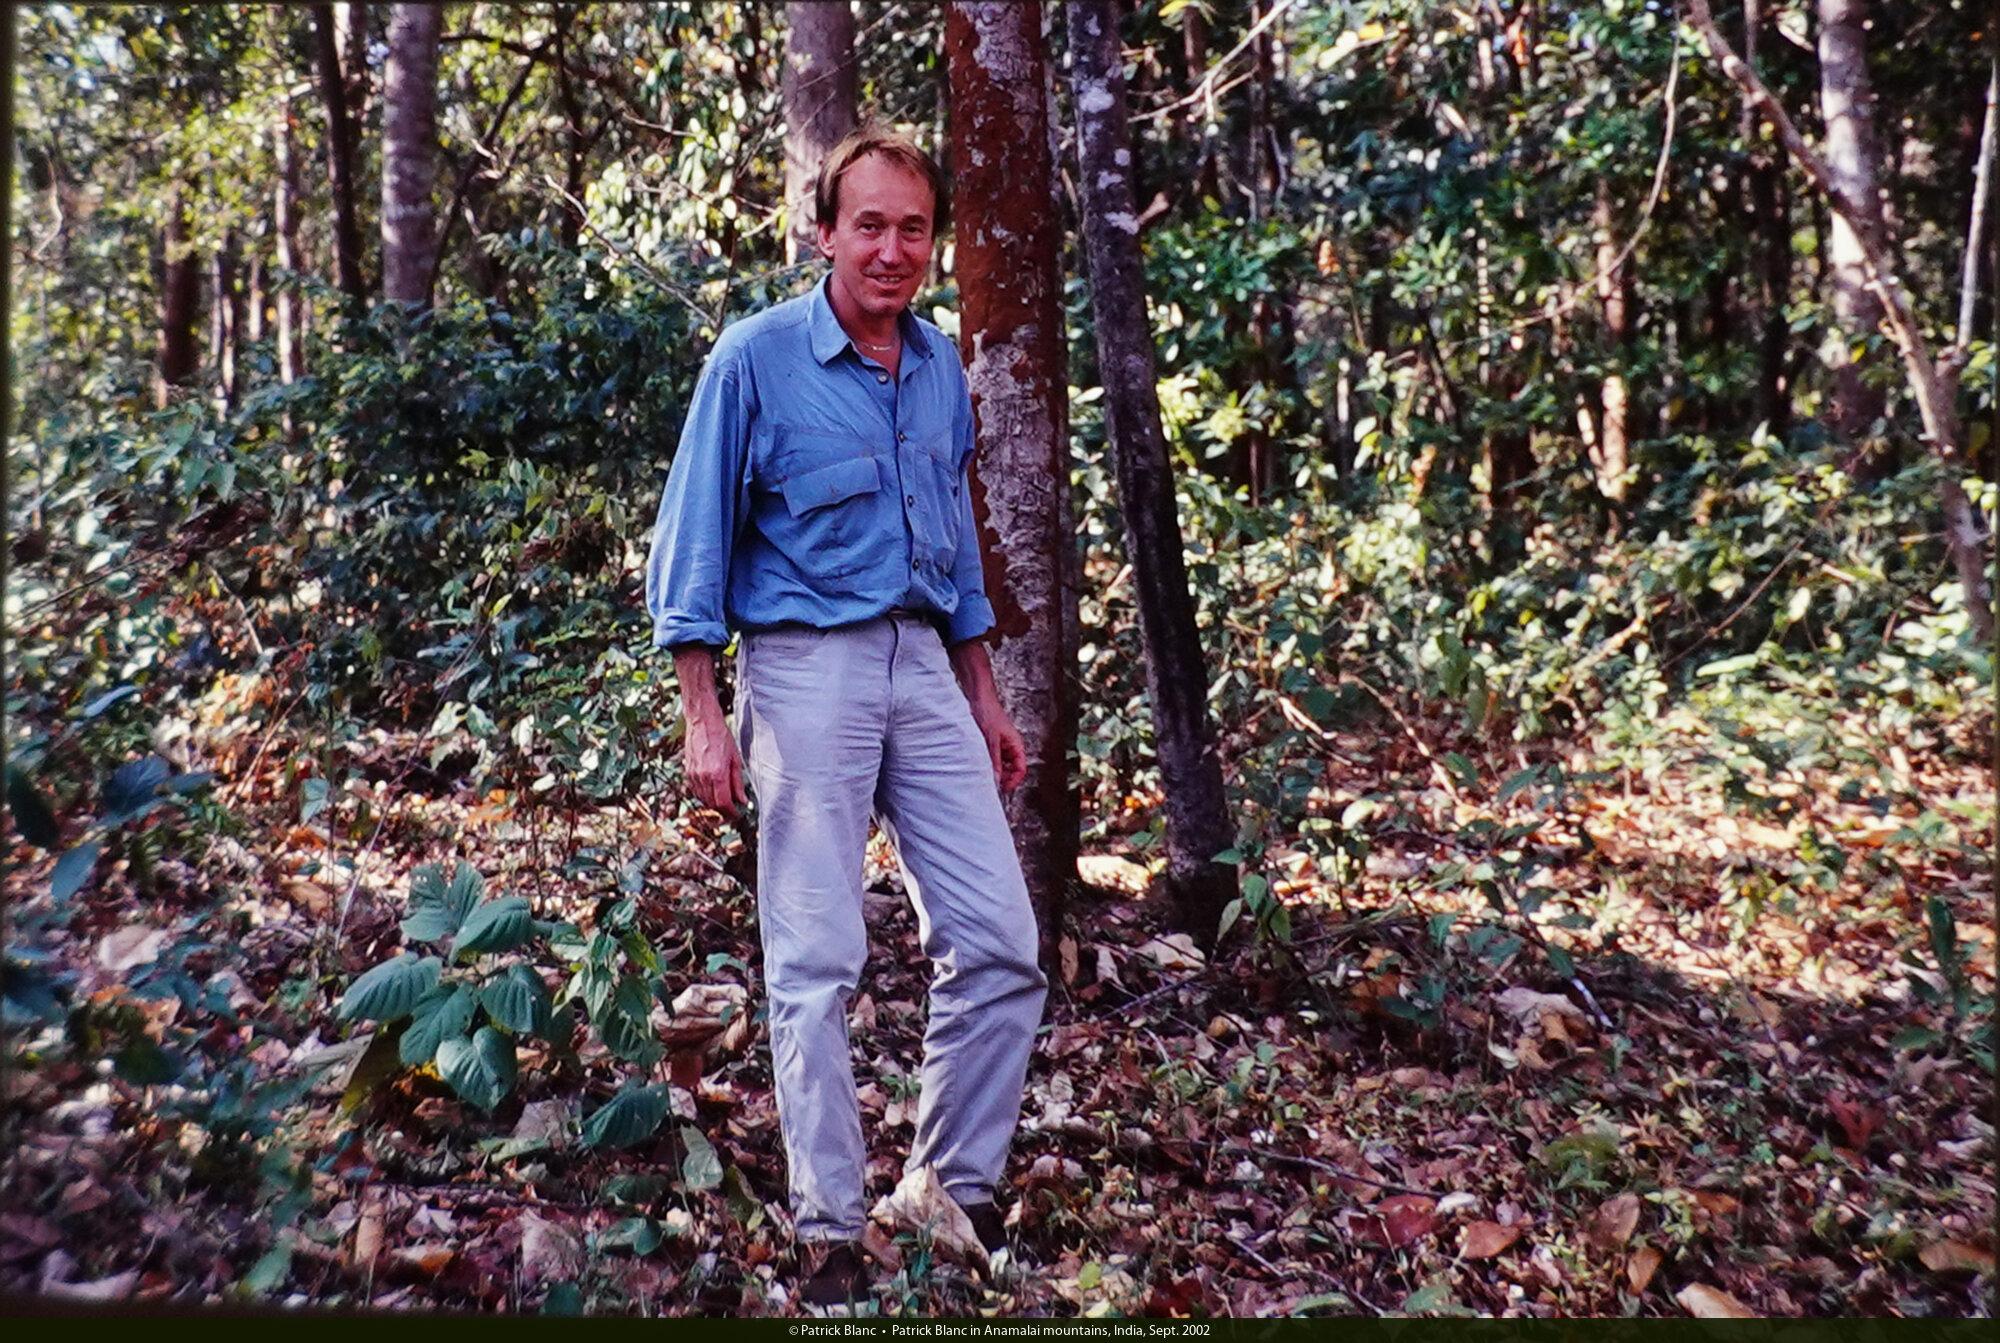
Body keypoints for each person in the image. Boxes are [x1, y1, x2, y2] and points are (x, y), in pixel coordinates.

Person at [643, 125, 1048, 1309]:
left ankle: (946, 1194)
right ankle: (826, 1228)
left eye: (912, 229)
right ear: (823, 232)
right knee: (817, 955)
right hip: (803, 667)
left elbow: (955, 548)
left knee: (1000, 942)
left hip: (923, 663)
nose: (890, 249)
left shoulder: (936, 364)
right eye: (867, 225)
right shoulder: (754, 359)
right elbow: (691, 546)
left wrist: (983, 695)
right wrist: (702, 714)